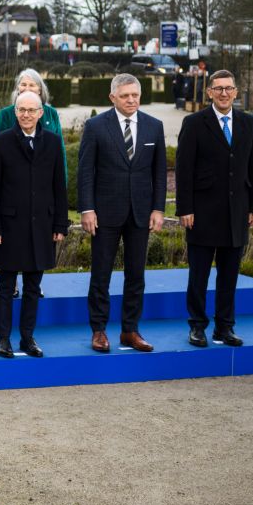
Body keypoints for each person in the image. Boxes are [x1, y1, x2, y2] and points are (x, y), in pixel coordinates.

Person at [77, 73, 167, 353]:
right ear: (112, 97)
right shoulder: (95, 126)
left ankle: (130, 330)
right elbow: (85, 172)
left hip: (141, 213)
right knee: (101, 274)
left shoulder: (154, 126)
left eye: (135, 95)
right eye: (125, 95)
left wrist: (158, 208)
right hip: (104, 214)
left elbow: (160, 172)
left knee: (136, 275)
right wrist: (87, 209)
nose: (131, 100)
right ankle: (99, 330)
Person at [176, 69, 253, 348]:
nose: (224, 93)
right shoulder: (194, 123)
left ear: (236, 92)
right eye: (218, 88)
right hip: (202, 213)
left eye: (229, 88)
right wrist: (184, 208)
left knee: (229, 275)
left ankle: (224, 327)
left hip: (237, 213)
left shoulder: (248, 123)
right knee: (198, 275)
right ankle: (198, 327)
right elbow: (183, 170)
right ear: (210, 92)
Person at [0, 90, 69, 358]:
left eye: (32, 110)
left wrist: (60, 224)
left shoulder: (54, 143)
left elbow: (59, 187)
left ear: (41, 113)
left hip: (42, 226)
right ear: (15, 111)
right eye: (22, 110)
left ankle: (27, 337)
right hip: (10, 226)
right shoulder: (0, 142)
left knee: (34, 286)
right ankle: (3, 338)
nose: (26, 115)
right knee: (6, 285)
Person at [0, 67, 67, 301]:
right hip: (14, 189)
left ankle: (33, 283)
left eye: (32, 85)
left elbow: (58, 151)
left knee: (37, 250)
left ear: (40, 91)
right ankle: (12, 282)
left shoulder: (51, 115)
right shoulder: (6, 115)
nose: (26, 88)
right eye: (22, 85)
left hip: (42, 189)